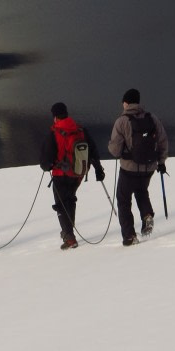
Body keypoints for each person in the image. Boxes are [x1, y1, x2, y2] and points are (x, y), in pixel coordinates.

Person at [108, 88, 169, 246]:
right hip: (148, 167)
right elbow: (162, 141)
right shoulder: (152, 118)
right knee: (142, 191)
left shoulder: (121, 121)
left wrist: (112, 147)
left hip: (128, 168)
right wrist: (161, 162)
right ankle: (147, 214)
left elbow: (115, 150)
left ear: (126, 103)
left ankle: (129, 236)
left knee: (123, 200)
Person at [43, 102, 106, 250]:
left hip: (61, 175)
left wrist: (49, 166)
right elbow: (93, 149)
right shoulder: (80, 129)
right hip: (78, 173)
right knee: (70, 201)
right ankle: (68, 232)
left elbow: (45, 162)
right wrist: (98, 169)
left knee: (61, 204)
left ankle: (69, 237)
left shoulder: (55, 132)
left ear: (55, 117)